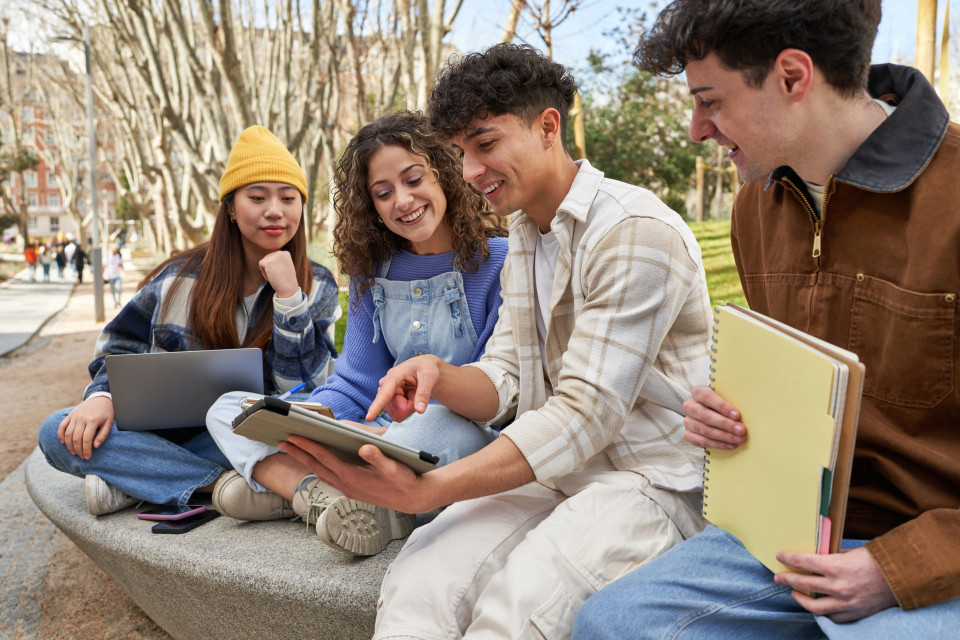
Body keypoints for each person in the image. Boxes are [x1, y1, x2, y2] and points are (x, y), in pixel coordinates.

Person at [278, 43, 713, 638]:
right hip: (552, 473)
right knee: (419, 580)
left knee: (520, 602)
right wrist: (437, 374)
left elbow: (585, 415)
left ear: (548, 127)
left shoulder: (633, 231)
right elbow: (505, 376)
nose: (470, 171)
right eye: (461, 153)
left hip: (648, 481)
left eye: (485, 144)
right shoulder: (526, 235)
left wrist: (428, 489)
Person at [571, 2, 960, 639]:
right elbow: (804, 398)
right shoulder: (756, 205)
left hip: (938, 552)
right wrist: (732, 423)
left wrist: (900, 568)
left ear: (792, 77)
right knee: (609, 624)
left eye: (709, 101)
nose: (696, 130)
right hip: (796, 536)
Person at [206, 111, 509, 556]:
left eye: (413, 179)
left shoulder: (499, 261)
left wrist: (380, 438)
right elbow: (357, 381)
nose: (402, 201)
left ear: (445, 174)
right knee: (227, 410)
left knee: (429, 432)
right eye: (383, 193)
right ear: (372, 207)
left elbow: (495, 392)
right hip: (376, 431)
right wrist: (320, 419)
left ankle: (299, 492)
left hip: (458, 430)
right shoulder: (372, 272)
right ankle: (316, 494)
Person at [36, 125, 341, 516]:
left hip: (249, 438)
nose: (275, 211)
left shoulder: (318, 284)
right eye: (257, 197)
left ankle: (142, 480)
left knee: (288, 437)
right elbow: (120, 347)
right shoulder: (177, 278)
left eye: (288, 197)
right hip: (164, 434)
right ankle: (220, 485)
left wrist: (289, 298)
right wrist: (102, 398)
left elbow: (304, 387)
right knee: (57, 430)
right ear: (230, 209)